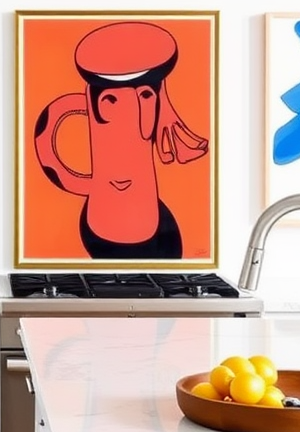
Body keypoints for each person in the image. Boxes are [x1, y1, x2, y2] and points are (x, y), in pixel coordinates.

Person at [33, 21, 208, 260]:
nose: (134, 106)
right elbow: (54, 118)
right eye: (110, 100)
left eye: (146, 95)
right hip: (103, 224)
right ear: (103, 101)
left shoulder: (164, 234)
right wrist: (85, 185)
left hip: (146, 225)